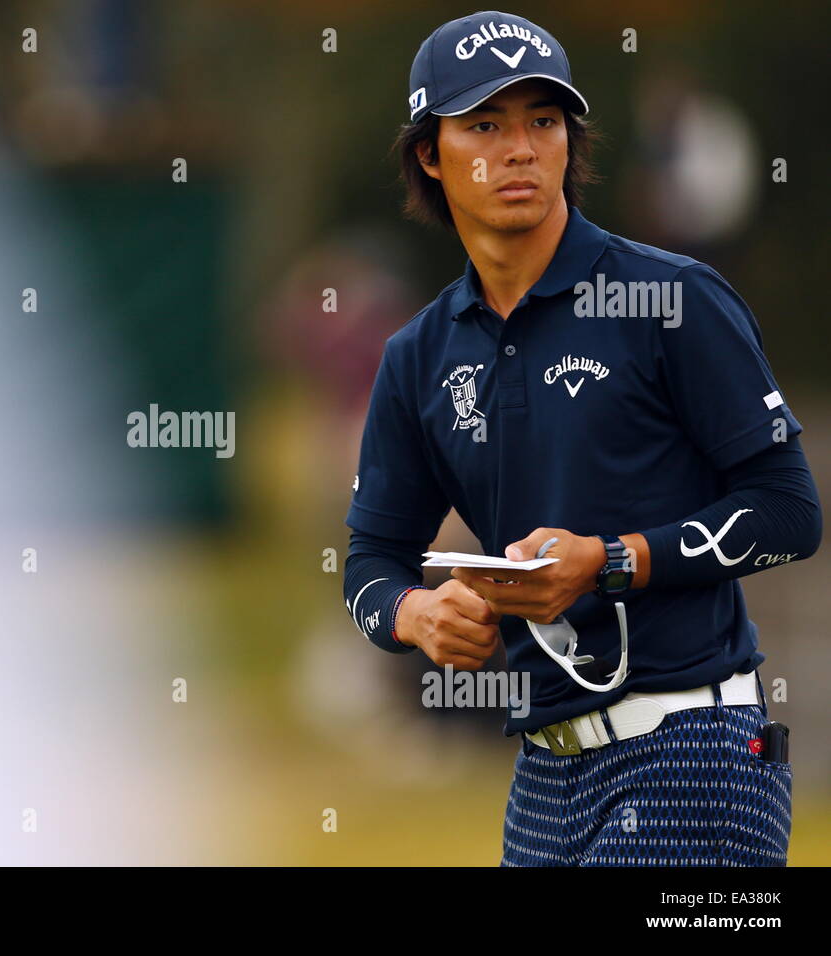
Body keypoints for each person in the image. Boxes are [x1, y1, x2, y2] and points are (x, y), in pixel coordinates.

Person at [342, 11, 821, 866]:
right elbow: (372, 557)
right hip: (543, 781)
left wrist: (607, 560)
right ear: (429, 153)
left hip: (700, 756)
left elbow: (790, 514)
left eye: (543, 120)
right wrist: (413, 614)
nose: (520, 148)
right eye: (486, 124)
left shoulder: (672, 297)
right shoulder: (419, 356)